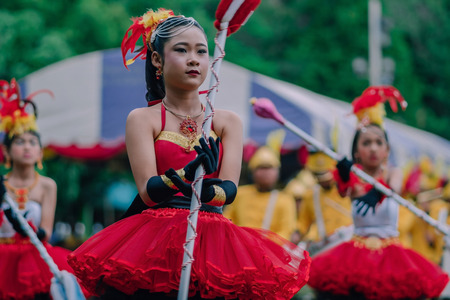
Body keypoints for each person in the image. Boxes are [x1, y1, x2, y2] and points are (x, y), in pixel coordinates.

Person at [68, 9, 310, 299]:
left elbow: (229, 191)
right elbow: (149, 192)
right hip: (155, 243)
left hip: (213, 241)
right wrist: (189, 172)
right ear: (157, 59)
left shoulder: (226, 122)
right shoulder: (143, 119)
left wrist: (208, 189)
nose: (193, 58)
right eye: (181, 50)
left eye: (201, 51)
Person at [307, 86, 449, 300]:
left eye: (378, 143)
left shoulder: (395, 172)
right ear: (357, 152)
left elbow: (393, 188)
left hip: (391, 254)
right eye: (366, 143)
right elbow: (346, 192)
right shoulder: (355, 180)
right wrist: (344, 175)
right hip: (355, 255)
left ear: (387, 150)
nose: (373, 148)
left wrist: (377, 193)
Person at [0, 79, 89, 299]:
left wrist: (23, 227)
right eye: (20, 142)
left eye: (33, 142)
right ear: (7, 152)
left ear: (40, 152)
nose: (27, 147)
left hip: (35, 255)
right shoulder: (1, 184)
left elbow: (47, 233)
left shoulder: (47, 185)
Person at [223, 130, 297, 240]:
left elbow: (286, 231)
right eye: (261, 168)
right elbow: (227, 220)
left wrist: (263, 245)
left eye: (269, 168)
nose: (265, 173)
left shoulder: (285, 199)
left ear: (277, 172)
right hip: (240, 246)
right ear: (252, 172)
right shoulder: (240, 193)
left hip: (269, 251)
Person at [296, 150, 352, 246]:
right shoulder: (310, 195)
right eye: (320, 178)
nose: (324, 182)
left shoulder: (347, 188)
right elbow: (302, 224)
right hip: (323, 244)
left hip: (347, 240)